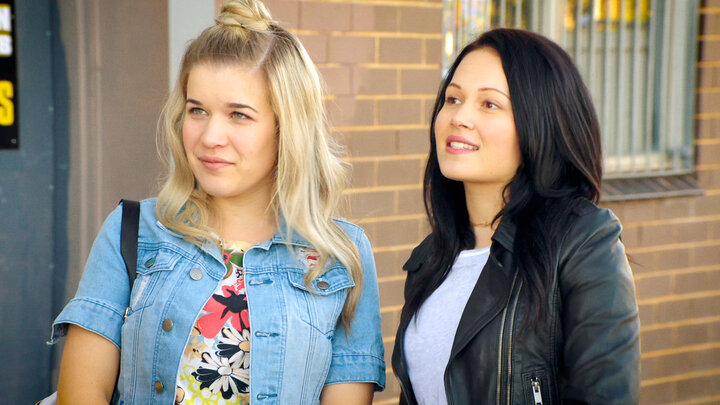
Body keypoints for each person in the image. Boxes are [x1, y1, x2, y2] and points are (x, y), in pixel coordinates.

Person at [49, 1, 385, 403]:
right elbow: (81, 394)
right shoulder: (135, 232)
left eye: (238, 115)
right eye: (198, 111)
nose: (210, 137)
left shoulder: (340, 257)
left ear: (287, 128)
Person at [392, 28, 640, 405]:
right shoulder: (430, 259)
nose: (459, 117)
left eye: (489, 104)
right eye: (453, 98)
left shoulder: (583, 241)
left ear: (539, 123)